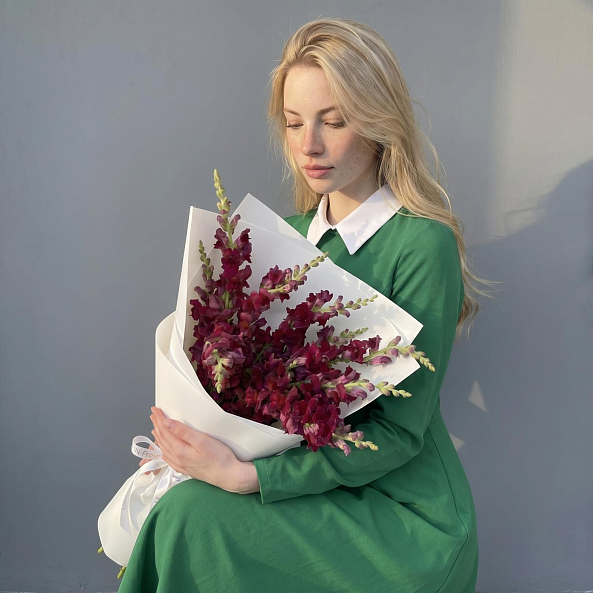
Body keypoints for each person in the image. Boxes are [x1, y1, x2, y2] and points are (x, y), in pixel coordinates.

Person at [119, 17, 493, 593]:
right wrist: (198, 446)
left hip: (402, 517)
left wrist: (248, 477)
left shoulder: (422, 244)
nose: (308, 145)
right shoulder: (283, 238)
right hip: (300, 490)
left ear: (378, 122)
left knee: (189, 518)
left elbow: (398, 434)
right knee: (176, 513)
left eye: (333, 121)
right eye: (294, 123)